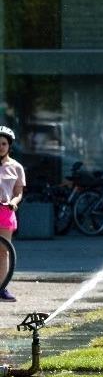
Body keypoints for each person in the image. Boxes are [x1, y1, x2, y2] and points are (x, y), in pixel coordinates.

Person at [0, 126, 25, 302]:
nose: (0, 146)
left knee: (3, 252)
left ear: (9, 146)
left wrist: (14, 203)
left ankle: (2, 287)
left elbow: (18, 192)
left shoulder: (16, 167)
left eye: (3, 143)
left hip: (5, 211)